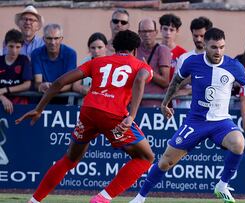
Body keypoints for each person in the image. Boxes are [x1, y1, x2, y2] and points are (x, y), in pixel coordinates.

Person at [129, 28, 245, 203]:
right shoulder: (192, 62)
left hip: (221, 123)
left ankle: (222, 185)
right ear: (205, 45)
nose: (218, 51)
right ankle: (140, 198)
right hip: (196, 122)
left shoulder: (234, 66)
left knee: (239, 142)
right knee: (166, 161)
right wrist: (165, 103)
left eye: (221, 47)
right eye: (213, 47)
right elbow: (176, 82)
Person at [16, 30, 155, 203]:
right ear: (135, 49)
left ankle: (34, 200)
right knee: (145, 157)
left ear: (114, 46)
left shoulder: (97, 62)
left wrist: (39, 108)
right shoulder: (141, 65)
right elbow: (141, 78)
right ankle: (102, 198)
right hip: (114, 114)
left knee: (70, 158)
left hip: (88, 111)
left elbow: (59, 82)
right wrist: (132, 115)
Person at [171, 16, 213, 108]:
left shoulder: (214, 58)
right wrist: (189, 79)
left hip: (207, 109)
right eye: (195, 36)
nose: (198, 39)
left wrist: (188, 91)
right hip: (184, 108)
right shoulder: (184, 58)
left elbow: (213, 85)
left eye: (202, 36)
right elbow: (174, 85)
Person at [31, 23, 77, 104]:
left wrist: (52, 89)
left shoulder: (70, 54)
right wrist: (41, 86)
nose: (52, 42)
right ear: (43, 39)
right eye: (49, 38)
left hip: (63, 102)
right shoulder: (36, 53)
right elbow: (37, 82)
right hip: (40, 100)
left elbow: (69, 84)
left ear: (61, 39)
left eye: (56, 38)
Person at [136, 18, 172, 107]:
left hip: (154, 103)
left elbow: (165, 81)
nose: (147, 34)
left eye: (150, 31)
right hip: (135, 103)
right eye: (144, 31)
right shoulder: (135, 49)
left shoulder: (162, 50)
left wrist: (148, 69)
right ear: (139, 33)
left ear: (156, 32)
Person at [0, 29, 33, 114]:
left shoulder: (24, 60)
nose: (14, 50)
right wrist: (2, 97)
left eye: (18, 47)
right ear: (5, 44)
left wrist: (5, 90)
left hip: (21, 106)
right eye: (11, 46)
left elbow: (27, 85)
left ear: (22, 47)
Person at [72, 32, 108, 99]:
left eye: (100, 47)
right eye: (93, 48)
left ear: (106, 47)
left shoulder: (112, 63)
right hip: (86, 103)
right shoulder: (85, 62)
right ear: (89, 49)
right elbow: (75, 85)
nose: (96, 51)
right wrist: (83, 88)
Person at [159, 13, 187, 81]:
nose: (168, 33)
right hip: (156, 90)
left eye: (171, 30)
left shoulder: (183, 54)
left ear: (177, 31)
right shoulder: (154, 50)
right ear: (160, 29)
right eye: (165, 29)